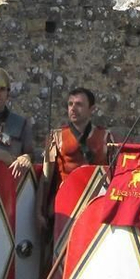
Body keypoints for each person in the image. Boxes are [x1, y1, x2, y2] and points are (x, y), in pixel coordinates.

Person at [43, 86, 109, 217]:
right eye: (70, 104)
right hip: (65, 202)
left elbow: (112, 176)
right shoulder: (56, 137)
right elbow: (46, 178)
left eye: (79, 104)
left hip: (94, 204)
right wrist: (40, 211)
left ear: (91, 109)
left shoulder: (106, 137)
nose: (73, 108)